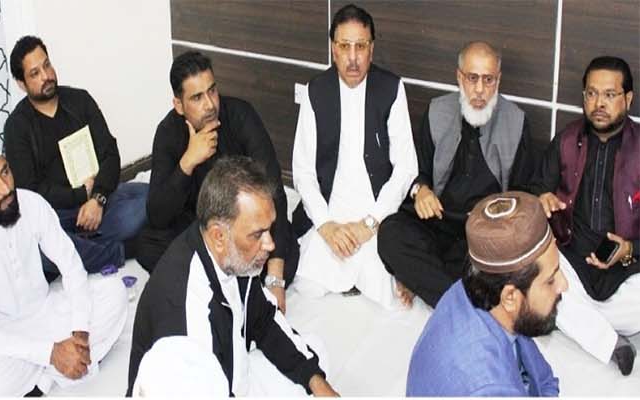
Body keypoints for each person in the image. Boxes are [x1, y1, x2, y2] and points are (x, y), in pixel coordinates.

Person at [129, 156, 337, 397]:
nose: (270, 244)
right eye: (258, 234)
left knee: (314, 361)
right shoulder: (188, 315)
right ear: (219, 236)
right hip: (201, 389)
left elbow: (265, 320)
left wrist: (317, 383)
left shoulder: (234, 255)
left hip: (232, 369)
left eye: (270, 229)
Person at [0, 138, 127, 396]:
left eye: (5, 172)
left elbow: (72, 267)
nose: (5, 188)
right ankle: (58, 368)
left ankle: (56, 367)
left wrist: (80, 333)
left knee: (115, 292)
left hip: (46, 314)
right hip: (6, 336)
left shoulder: (31, 203)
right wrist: (52, 353)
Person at [377, 41, 541, 308]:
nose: (480, 90)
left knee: (493, 269)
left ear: (498, 80)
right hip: (437, 220)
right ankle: (456, 301)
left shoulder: (516, 122)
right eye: (472, 78)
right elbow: (418, 172)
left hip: (480, 234)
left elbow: (522, 196)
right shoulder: (437, 111)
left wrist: (493, 220)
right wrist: (422, 190)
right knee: (390, 234)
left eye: (488, 80)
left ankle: (426, 283)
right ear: (459, 77)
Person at [137, 50, 298, 310]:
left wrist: (276, 277)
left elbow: (274, 191)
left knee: (283, 238)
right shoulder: (168, 132)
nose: (210, 105)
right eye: (197, 98)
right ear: (179, 105)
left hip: (247, 228)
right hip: (202, 230)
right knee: (147, 242)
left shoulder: (241, 116)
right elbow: (157, 214)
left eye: (212, 91)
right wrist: (188, 161)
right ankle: (223, 285)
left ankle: (216, 284)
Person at [291, 4, 418, 309]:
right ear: (333, 48)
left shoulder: (391, 88)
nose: (352, 57)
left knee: (389, 290)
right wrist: (326, 226)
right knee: (307, 284)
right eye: (344, 46)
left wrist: (369, 223)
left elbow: (406, 168)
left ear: (371, 49)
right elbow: (303, 171)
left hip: (375, 208)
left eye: (360, 46)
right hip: (331, 205)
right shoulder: (315, 91)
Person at [3, 35, 148, 275]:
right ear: (21, 83)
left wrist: (97, 199)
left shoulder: (80, 100)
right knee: (37, 248)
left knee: (151, 197)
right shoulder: (17, 127)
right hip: (56, 216)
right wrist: (81, 194)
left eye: (47, 65)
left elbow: (110, 153)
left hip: (99, 204)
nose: (46, 76)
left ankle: (80, 249)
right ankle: (116, 251)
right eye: (35, 73)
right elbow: (30, 191)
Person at [538, 56, 639, 375]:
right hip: (572, 262)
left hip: (628, 269)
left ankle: (576, 319)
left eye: (609, 95)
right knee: (533, 272)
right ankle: (612, 343)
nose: (599, 104)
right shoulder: (567, 140)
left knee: (549, 302)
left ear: (628, 99)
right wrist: (543, 198)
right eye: (592, 94)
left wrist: (630, 248)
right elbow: (535, 188)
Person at [406, 192, 564, 396]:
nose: (563, 285)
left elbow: (544, 379)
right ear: (510, 297)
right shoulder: (488, 388)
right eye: (550, 280)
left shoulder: (473, 291)